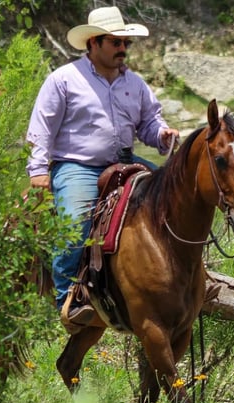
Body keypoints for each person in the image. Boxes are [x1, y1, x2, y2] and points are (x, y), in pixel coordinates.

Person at [25, 6, 179, 332]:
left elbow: (149, 123)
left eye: (125, 43)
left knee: (175, 195)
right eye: (115, 42)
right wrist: (38, 171)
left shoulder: (135, 84)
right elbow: (41, 128)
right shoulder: (64, 79)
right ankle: (69, 299)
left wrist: (162, 135)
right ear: (93, 43)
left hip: (126, 162)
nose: (123, 48)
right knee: (75, 223)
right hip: (78, 166)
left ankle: (187, 278)